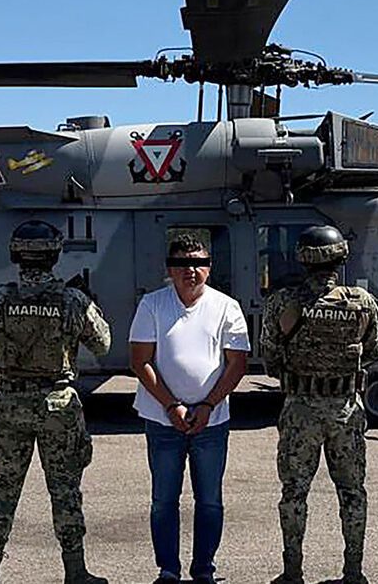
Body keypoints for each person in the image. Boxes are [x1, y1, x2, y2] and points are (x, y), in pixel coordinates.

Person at [0, 220, 112, 584]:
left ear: (15, 255)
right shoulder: (73, 300)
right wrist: (91, 304)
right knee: (65, 491)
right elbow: (103, 344)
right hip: (58, 406)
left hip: (11, 404)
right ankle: (76, 572)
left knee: (2, 490)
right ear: (55, 255)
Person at [260, 225, 378, 584]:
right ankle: (353, 572)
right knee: (352, 493)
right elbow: (374, 350)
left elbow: (270, 358)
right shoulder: (362, 302)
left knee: (294, 494)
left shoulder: (283, 302)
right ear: (341, 258)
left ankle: (292, 572)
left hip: (300, 411)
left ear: (302, 259)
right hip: (345, 409)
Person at [129, 233, 250, 584]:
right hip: (162, 420)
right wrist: (171, 406)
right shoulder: (152, 304)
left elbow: (237, 364)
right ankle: (168, 569)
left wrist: (209, 405)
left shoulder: (227, 307)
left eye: (198, 263)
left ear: (209, 268)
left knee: (209, 500)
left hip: (211, 422)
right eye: (182, 264)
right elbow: (140, 361)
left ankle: (204, 569)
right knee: (163, 500)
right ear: (170, 269)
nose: (190, 271)